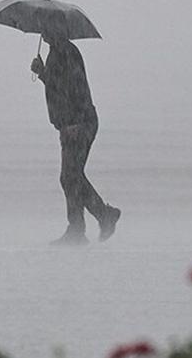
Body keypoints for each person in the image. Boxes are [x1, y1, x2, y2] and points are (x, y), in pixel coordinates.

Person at [30, 20, 120, 245]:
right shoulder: (57, 52)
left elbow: (75, 87)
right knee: (71, 177)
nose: (43, 32)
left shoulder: (66, 52)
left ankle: (89, 223)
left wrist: (75, 123)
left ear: (55, 29)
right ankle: (84, 225)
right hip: (71, 123)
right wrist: (42, 74)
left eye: (46, 28)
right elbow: (58, 86)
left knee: (70, 176)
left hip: (79, 123)